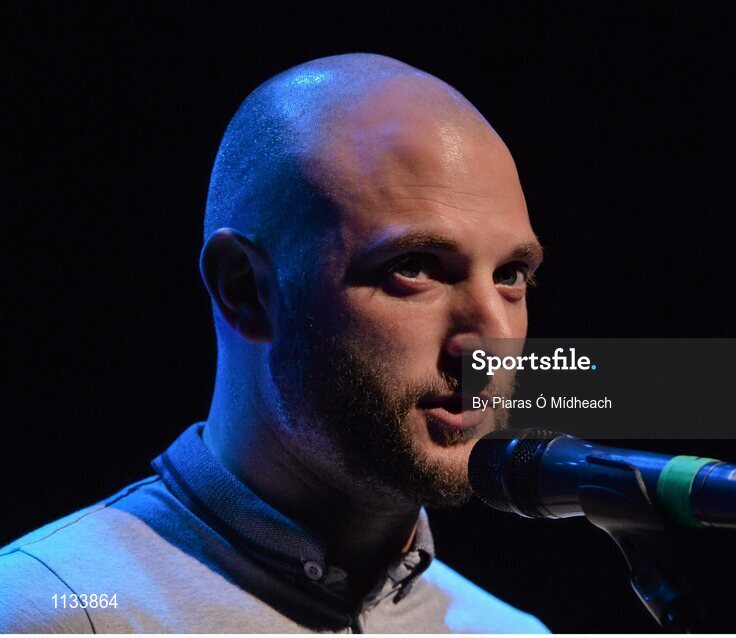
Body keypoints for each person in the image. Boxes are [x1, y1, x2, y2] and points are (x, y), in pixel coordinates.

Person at [0, 53, 548, 633]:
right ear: (244, 288)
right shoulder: (46, 612)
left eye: (511, 275)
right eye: (414, 267)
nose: (491, 340)